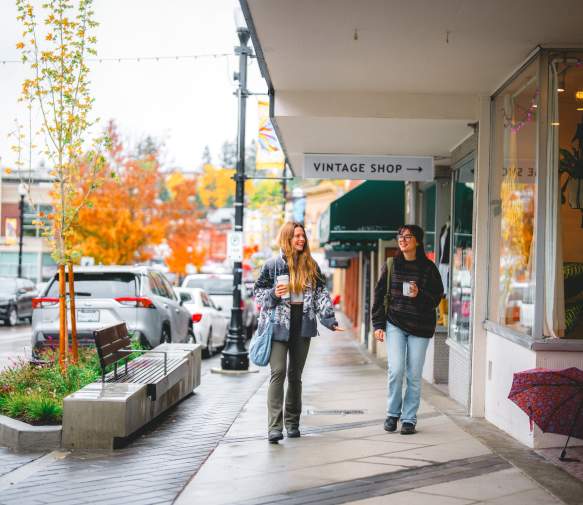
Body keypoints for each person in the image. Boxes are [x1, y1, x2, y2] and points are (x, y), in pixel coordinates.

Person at [254, 221, 344, 443]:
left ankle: (292, 423)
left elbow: (322, 294)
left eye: (302, 235)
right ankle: (274, 427)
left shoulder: (311, 266)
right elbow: (257, 294)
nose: (301, 239)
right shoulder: (272, 265)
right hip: (277, 326)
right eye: (296, 236)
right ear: (287, 238)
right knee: (278, 372)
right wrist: (274, 294)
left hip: (302, 325)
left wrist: (329, 319)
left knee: (295, 376)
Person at [371, 224, 444, 435]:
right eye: (400, 236)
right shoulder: (392, 264)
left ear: (418, 241)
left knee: (413, 375)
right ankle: (392, 414)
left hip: (420, 327)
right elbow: (379, 295)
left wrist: (419, 294)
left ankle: (409, 419)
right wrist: (378, 324)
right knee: (396, 370)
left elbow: (437, 298)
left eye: (408, 237)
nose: (402, 240)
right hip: (395, 323)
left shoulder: (429, 269)